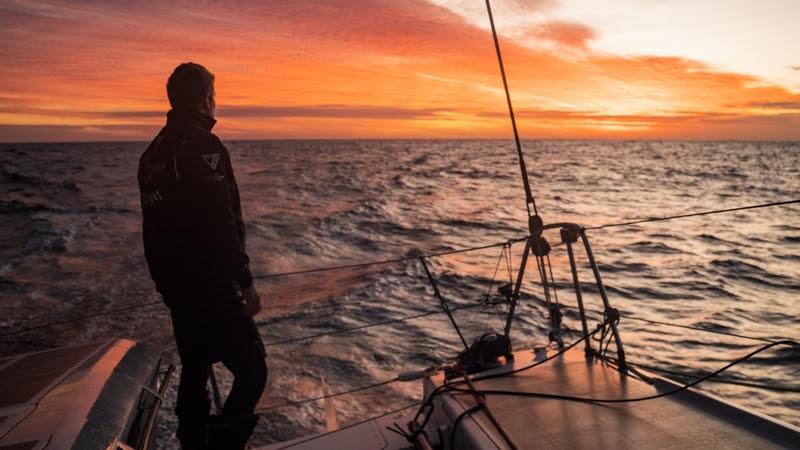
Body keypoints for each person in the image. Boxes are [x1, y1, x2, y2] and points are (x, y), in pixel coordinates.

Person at [137, 62, 267, 449]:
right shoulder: (203, 146)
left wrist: (165, 285)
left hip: (178, 290)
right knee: (253, 369)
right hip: (210, 285)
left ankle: (193, 443)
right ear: (205, 99)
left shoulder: (153, 152)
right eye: (214, 94)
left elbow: (152, 229)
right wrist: (243, 282)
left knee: (196, 369)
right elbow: (218, 222)